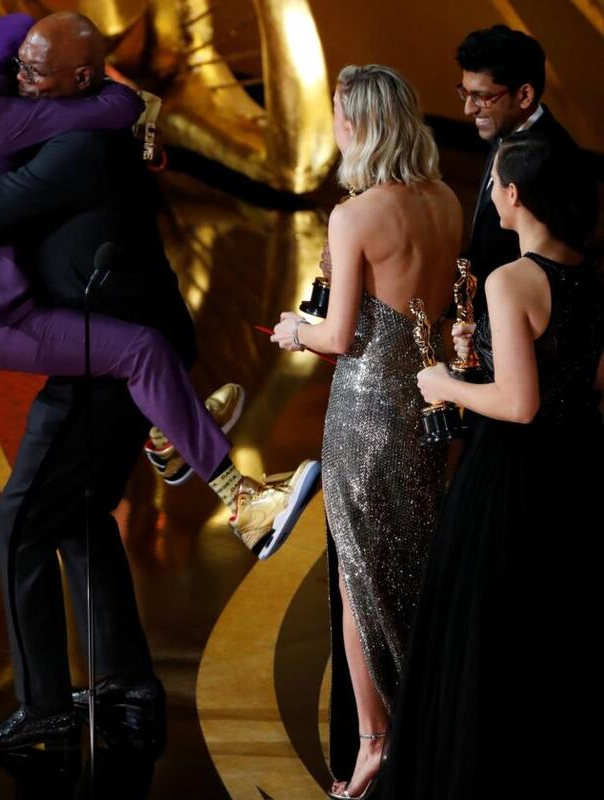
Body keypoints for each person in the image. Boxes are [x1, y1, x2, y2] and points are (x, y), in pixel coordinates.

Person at [0, 12, 320, 750]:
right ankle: (128, 686)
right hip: (120, 337)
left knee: (23, 522)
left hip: (103, 358)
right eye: (20, 71)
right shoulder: (66, 116)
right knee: (81, 515)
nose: (22, 85)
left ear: (79, 79)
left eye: (37, 74)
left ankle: (44, 712)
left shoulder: (74, 146)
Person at [378, 130, 604, 799]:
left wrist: (444, 383)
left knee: (486, 637)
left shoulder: (512, 279)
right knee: (556, 638)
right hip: (578, 473)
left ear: (514, 195)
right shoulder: (589, 275)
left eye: (495, 182)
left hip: (510, 478)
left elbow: (519, 403)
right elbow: (588, 384)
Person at [270, 65, 462, 799]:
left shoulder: (354, 217)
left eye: (341, 119)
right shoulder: (444, 200)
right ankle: (428, 726)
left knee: (359, 577)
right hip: (424, 405)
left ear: (360, 126)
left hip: (362, 414)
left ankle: (378, 742)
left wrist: (295, 329)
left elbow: (338, 334)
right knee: (412, 567)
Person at [456, 24, 598, 316]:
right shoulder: (503, 133)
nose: (469, 109)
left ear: (524, 96)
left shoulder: (561, 164)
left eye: (482, 96)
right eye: (465, 93)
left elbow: (563, 277)